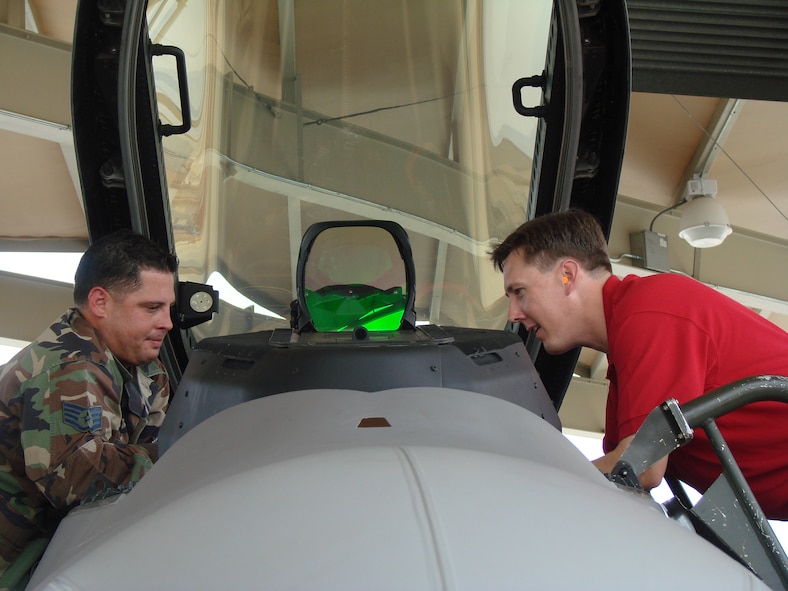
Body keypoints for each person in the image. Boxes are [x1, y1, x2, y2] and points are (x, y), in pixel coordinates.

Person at [490, 209, 788, 519]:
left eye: (520, 293)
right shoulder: (625, 359)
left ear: (567, 275)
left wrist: (525, 485)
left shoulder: (652, 310)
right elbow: (619, 473)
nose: (513, 314)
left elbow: (638, 469)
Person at [0, 230, 178, 588]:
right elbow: (75, 480)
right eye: (151, 308)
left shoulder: (145, 368)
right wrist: (178, 464)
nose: (168, 323)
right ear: (100, 303)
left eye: (169, 308)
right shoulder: (66, 368)